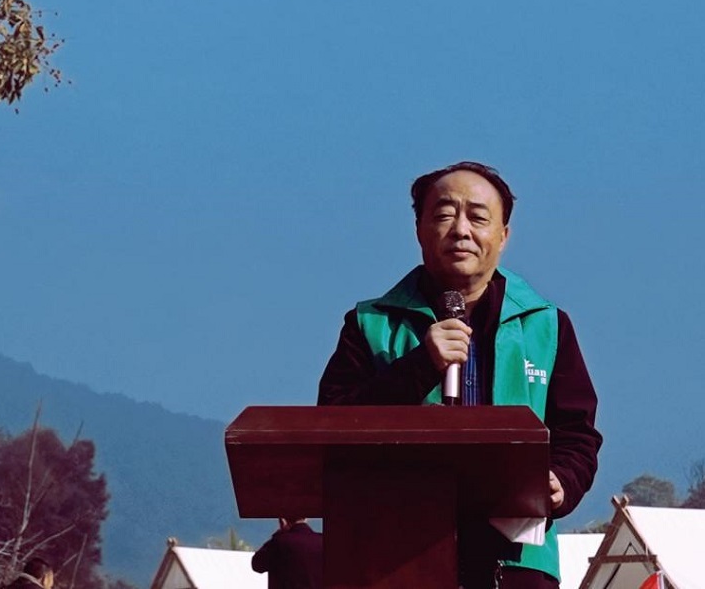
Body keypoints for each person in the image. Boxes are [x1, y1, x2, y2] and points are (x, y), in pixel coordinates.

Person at [317, 161, 602, 589]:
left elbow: (577, 433)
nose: (461, 230)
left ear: (504, 235)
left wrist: (563, 480)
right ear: (419, 229)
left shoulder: (546, 325)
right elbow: (332, 426)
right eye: (445, 214)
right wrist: (419, 367)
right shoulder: (369, 324)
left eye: (478, 217)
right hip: (396, 559)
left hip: (517, 560)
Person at [251, 517, 324, 589]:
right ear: (306, 518)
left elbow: (257, 565)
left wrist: (277, 535)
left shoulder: (278, 542)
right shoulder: (322, 541)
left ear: (282, 520)